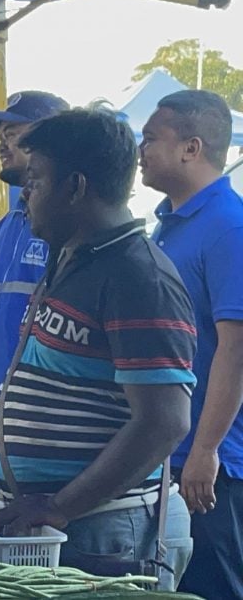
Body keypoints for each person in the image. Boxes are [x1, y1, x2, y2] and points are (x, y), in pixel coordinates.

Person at [0, 108, 195, 591]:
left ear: (76, 188)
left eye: (35, 180)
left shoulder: (137, 276)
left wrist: (60, 505)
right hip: (64, 525)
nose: (26, 195)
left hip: (104, 533)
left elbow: (165, 421)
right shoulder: (72, 257)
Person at [139, 90, 243, 599]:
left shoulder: (229, 226)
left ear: (191, 148)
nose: (141, 149)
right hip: (170, 449)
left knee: (213, 585)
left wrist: (206, 449)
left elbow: (237, 349)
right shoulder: (169, 225)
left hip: (213, 462)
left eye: (151, 138)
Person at [0, 91, 69, 430]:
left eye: (13, 134)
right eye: (0, 137)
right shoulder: (7, 225)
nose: (1, 145)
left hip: (38, 424)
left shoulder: (67, 226)